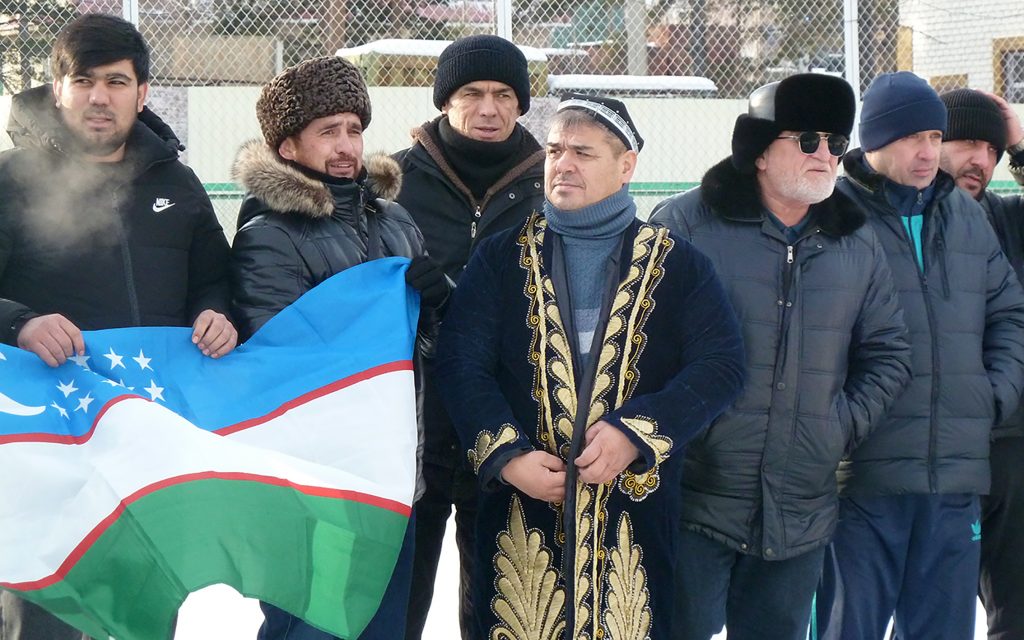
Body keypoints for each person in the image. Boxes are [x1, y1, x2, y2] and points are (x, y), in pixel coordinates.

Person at [434, 94, 746, 639]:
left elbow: (721, 366)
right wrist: (507, 456)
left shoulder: (679, 264)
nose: (563, 164)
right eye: (555, 150)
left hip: (633, 517)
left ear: (626, 166)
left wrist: (636, 433)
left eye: (583, 152)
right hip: (521, 516)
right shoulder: (501, 257)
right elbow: (461, 363)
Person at [650, 73, 911, 640]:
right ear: (760, 151)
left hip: (800, 508)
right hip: (695, 500)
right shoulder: (685, 225)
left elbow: (888, 352)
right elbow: (643, 348)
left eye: (836, 143)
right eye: (808, 140)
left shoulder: (856, 240)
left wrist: (836, 426)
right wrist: (691, 429)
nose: (826, 155)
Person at [0, 14, 235, 640]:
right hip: (46, 449)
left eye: (116, 81)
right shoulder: (11, 181)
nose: (99, 97)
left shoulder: (177, 183)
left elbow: (214, 279)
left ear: (142, 92)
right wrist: (20, 323)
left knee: (145, 616)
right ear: (57, 89)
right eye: (83, 81)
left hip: (148, 441)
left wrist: (217, 313)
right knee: (44, 621)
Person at [228, 55, 449, 640]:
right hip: (312, 488)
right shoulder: (269, 235)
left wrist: (436, 305)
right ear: (288, 146)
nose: (347, 146)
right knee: (312, 629)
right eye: (328, 131)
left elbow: (427, 350)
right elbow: (276, 358)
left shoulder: (397, 223)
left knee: (383, 628)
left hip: (393, 476)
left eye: (354, 129)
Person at [816, 72, 1024, 640]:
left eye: (934, 136)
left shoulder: (966, 216)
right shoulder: (831, 214)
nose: (928, 152)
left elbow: (1008, 314)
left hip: (954, 482)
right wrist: (839, 423)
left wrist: (993, 395)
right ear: (876, 140)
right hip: (863, 480)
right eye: (913, 137)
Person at [391, 34, 545, 639]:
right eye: (472, 93)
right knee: (396, 607)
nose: (489, 108)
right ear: (445, 101)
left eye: (504, 94)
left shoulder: (551, 187)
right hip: (412, 428)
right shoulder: (393, 184)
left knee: (501, 613)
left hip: (508, 432)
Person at [938, 87, 1024, 640]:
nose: (981, 160)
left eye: (992, 150)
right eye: (968, 143)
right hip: (932, 449)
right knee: (934, 611)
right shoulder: (893, 220)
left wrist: (1020, 144)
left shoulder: (1008, 218)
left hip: (1009, 445)